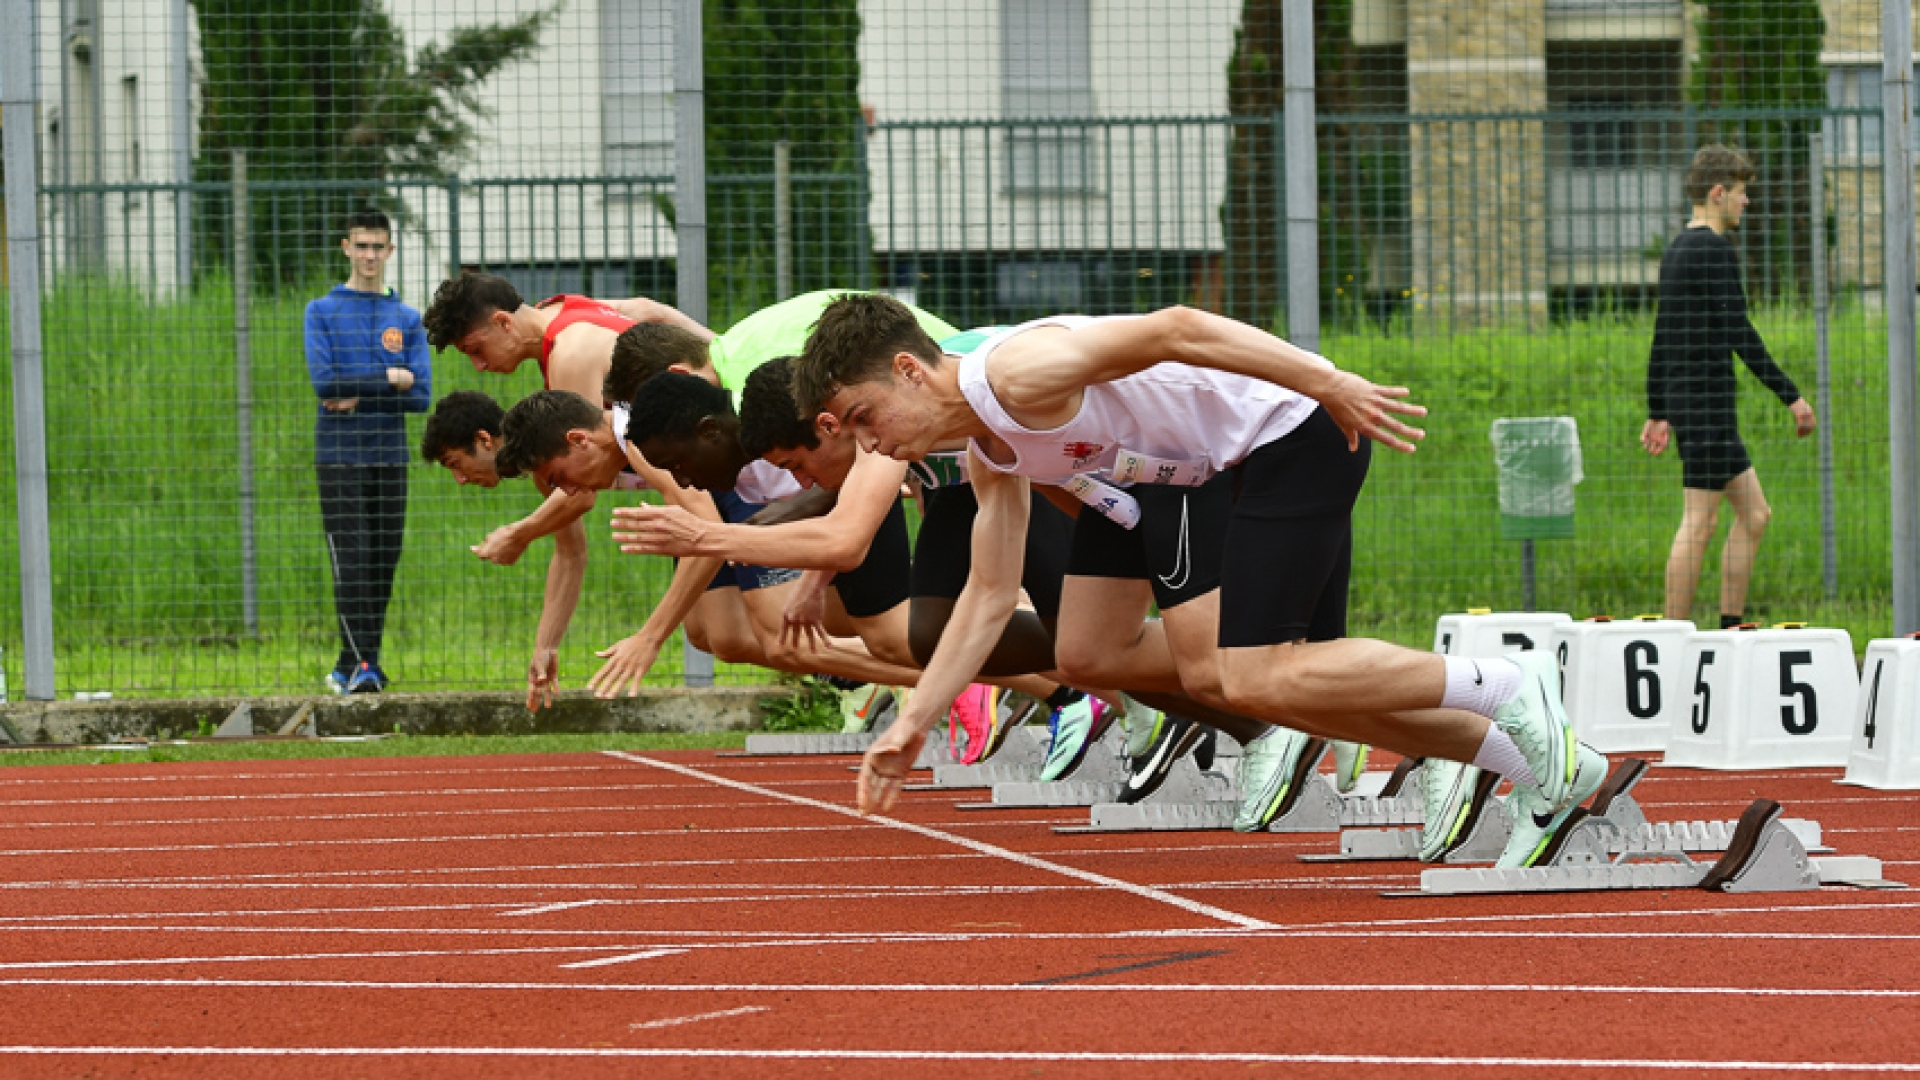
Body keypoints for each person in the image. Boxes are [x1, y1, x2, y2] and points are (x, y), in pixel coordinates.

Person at [794, 294, 1612, 868]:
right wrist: (913, 725)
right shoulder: (988, 450)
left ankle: (1509, 683)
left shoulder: (1019, 372)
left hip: (1288, 430)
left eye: (866, 419)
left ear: (907, 371)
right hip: (1203, 475)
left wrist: (1322, 380)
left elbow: (1176, 328)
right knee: (1266, 686)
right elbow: (985, 594)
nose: (871, 445)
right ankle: (1535, 760)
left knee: (1250, 674)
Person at [420, 273, 694, 707]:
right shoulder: (566, 312)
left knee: (770, 628)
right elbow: (647, 308)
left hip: (724, 463)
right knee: (722, 633)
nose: (479, 365)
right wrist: (545, 645)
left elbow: (582, 487)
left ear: (503, 322)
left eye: (476, 349)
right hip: (699, 473)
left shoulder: (569, 356)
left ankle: (843, 683)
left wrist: (519, 533)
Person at [1642, 145, 1817, 628]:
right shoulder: (1713, 251)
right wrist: (1792, 395)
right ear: (1718, 193)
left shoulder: (1678, 249)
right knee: (1699, 522)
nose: (1746, 203)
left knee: (1755, 514)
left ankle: (1728, 628)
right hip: (1705, 406)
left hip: (1699, 405)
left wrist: (1659, 408)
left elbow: (1662, 334)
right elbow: (1739, 330)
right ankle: (1675, 634)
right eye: (1741, 194)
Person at [304, 208, 431, 693]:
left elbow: (420, 396)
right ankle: (362, 668)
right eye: (362, 245)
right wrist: (388, 379)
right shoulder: (322, 311)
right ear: (346, 248)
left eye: (378, 246)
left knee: (383, 559)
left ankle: (353, 663)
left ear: (390, 251)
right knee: (351, 559)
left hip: (389, 455)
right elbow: (324, 383)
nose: (370, 255)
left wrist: (366, 390)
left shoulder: (406, 319)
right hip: (339, 456)